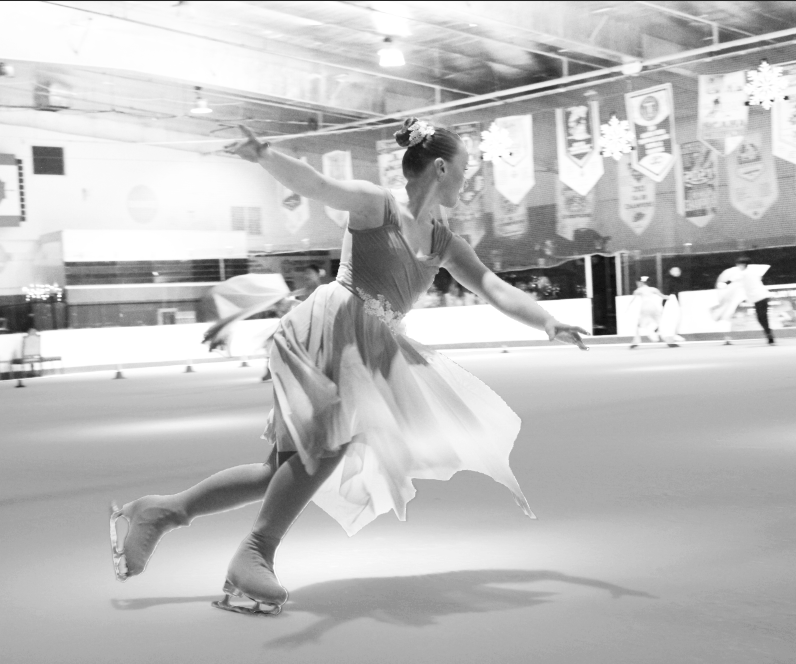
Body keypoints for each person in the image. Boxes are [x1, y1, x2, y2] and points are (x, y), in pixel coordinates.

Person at [109, 119, 588, 616]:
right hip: (330, 330)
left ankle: (163, 511)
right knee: (329, 444)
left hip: (372, 349)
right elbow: (316, 185)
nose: (469, 179)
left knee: (280, 469)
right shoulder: (376, 205)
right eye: (466, 169)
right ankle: (254, 554)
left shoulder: (444, 241)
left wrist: (547, 321)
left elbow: (493, 287)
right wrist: (264, 152)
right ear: (442, 167)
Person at [713, 256, 774, 345]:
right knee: (761, 318)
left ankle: (770, 336)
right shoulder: (752, 271)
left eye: (739, 264)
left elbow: (733, 279)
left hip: (761, 297)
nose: (737, 266)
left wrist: (725, 284)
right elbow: (765, 267)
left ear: (744, 265)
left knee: (762, 318)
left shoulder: (745, 273)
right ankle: (769, 336)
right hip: (759, 298)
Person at [628, 277, 677, 349]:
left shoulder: (638, 290)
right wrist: (671, 297)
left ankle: (635, 342)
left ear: (641, 283)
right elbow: (664, 297)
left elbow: (632, 300)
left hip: (644, 308)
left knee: (638, 326)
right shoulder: (653, 289)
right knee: (662, 323)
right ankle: (669, 341)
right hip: (653, 307)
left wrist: (628, 308)